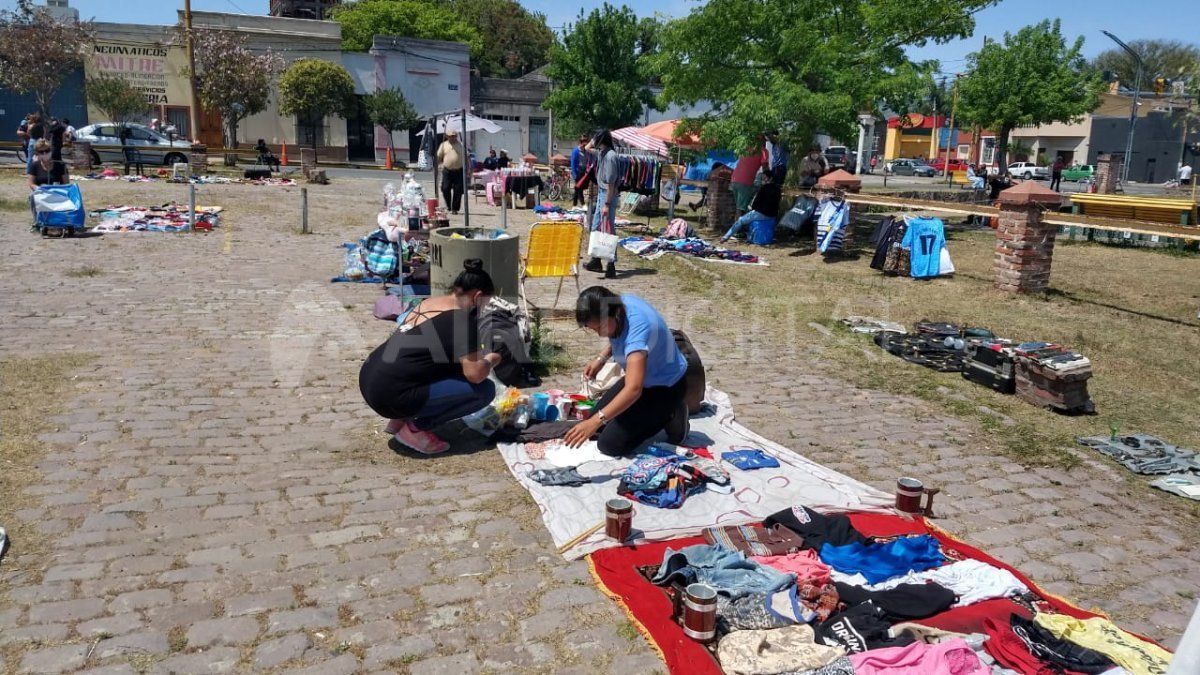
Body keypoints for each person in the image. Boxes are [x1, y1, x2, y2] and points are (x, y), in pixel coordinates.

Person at [358, 259, 502, 455]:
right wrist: (492, 358)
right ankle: (415, 428)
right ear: (477, 297)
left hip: (371, 380)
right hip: (390, 396)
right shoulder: (461, 321)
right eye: (486, 303)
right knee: (484, 390)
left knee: (444, 366)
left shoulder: (429, 302)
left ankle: (400, 418)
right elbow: (475, 375)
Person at [563, 287, 690, 456]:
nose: (600, 334)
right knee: (596, 425)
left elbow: (633, 389)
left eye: (599, 327)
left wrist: (595, 421)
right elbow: (619, 336)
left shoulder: (637, 333)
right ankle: (652, 414)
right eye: (594, 330)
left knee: (608, 444)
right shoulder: (620, 304)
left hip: (665, 387)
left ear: (613, 313)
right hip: (642, 377)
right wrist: (601, 358)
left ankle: (671, 413)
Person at [584, 129, 620, 279]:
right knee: (596, 226)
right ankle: (596, 260)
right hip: (602, 194)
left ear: (602, 140)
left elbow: (611, 184)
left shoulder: (610, 156)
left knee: (608, 229)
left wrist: (606, 204)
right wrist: (593, 140)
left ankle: (611, 264)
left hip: (608, 195)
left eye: (596, 140)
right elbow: (586, 148)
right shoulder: (602, 153)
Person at [719, 170, 781, 243]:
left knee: (740, 220)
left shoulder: (763, 188)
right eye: (762, 178)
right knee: (750, 217)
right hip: (772, 215)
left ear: (770, 178)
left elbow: (755, 204)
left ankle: (726, 237)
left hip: (762, 213)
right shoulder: (778, 189)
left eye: (764, 178)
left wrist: (752, 208)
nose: (763, 180)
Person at [26, 139, 68, 223]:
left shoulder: (60, 165)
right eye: (41, 152)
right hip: (41, 192)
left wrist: (58, 189)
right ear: (37, 153)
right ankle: (37, 221)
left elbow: (66, 183)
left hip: (57, 192)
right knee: (32, 196)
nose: (45, 153)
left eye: (47, 151)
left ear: (51, 150)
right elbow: (31, 183)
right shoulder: (34, 165)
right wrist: (38, 188)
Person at [730, 145, 767, 215]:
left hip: (734, 179)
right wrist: (769, 177)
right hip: (745, 182)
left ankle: (739, 224)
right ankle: (738, 225)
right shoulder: (763, 151)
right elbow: (765, 167)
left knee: (739, 207)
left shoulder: (745, 147)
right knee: (740, 209)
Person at [437, 129, 465, 214]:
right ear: (447, 136)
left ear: (456, 136)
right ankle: (448, 205)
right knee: (445, 188)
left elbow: (466, 157)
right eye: (450, 136)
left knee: (458, 190)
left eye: (454, 136)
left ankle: (455, 209)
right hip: (447, 170)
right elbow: (439, 156)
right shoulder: (443, 145)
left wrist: (469, 169)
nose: (452, 138)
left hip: (459, 170)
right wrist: (439, 165)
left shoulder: (461, 145)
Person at [570, 135, 589, 207]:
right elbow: (573, 163)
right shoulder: (575, 151)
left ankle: (574, 204)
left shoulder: (586, 151)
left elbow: (587, 161)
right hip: (577, 173)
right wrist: (574, 175)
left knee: (577, 189)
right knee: (579, 188)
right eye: (584, 144)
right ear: (581, 143)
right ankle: (583, 204)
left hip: (583, 172)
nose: (585, 145)